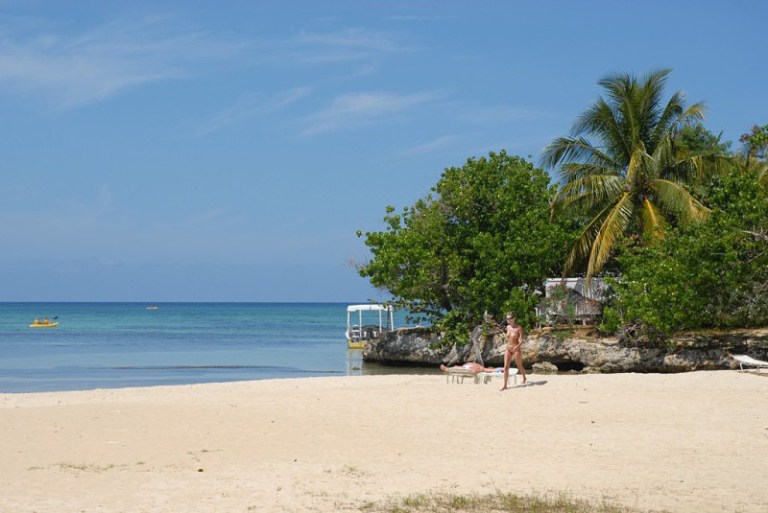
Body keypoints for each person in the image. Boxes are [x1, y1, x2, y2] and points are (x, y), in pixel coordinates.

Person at [501, 312, 527, 390]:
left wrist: (517, 346)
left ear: (514, 318)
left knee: (519, 365)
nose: (508, 320)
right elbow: (507, 338)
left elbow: (521, 340)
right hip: (508, 349)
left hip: (516, 349)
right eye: (507, 318)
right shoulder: (507, 327)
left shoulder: (518, 328)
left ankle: (524, 377)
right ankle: (505, 385)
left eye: (509, 318)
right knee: (506, 367)